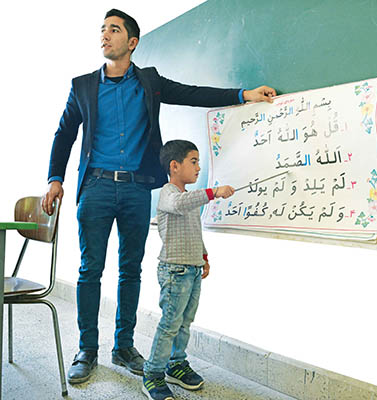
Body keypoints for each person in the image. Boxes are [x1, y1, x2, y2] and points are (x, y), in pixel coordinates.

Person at [41, 8, 276, 385]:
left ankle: (124, 346)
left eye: (114, 30)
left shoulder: (149, 81)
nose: (105, 35)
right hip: (96, 187)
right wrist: (55, 178)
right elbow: (64, 133)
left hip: (137, 189)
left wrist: (243, 95)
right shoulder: (82, 86)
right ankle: (87, 349)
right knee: (90, 269)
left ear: (132, 42)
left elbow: (191, 93)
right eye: (103, 30)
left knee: (130, 269)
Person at [142, 140, 234, 400]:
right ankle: (152, 374)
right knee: (170, 324)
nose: (198, 167)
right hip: (175, 271)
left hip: (192, 269)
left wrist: (203, 256)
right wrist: (214, 192)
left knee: (184, 322)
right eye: (193, 162)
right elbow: (179, 204)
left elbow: (195, 231)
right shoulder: (168, 193)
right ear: (174, 166)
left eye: (198, 163)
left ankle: (176, 364)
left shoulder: (189, 199)